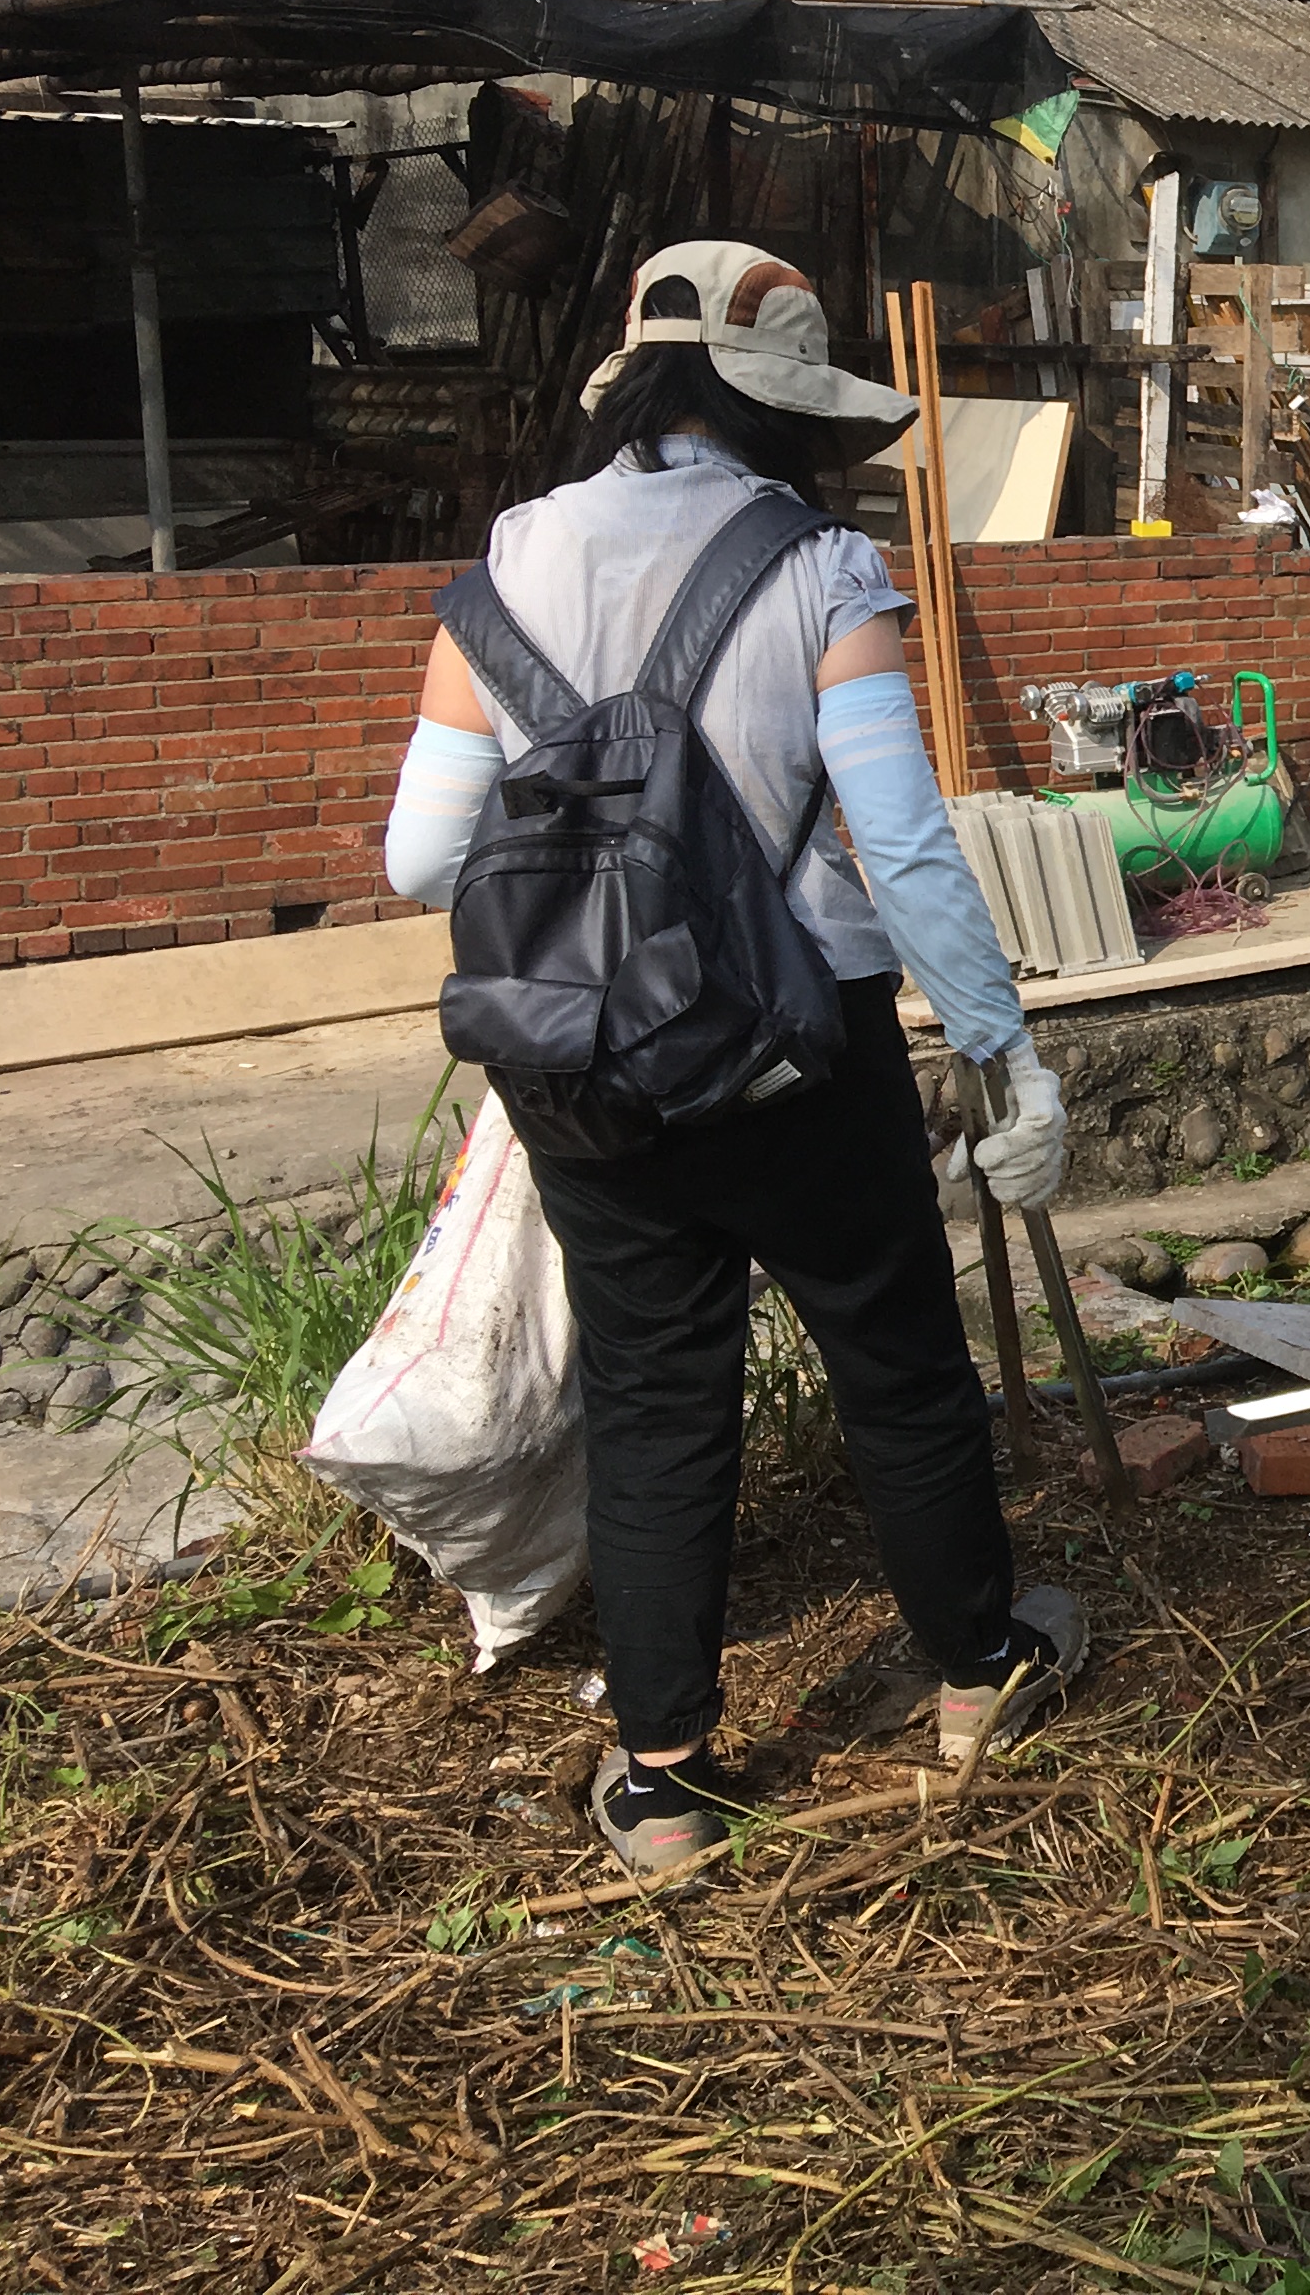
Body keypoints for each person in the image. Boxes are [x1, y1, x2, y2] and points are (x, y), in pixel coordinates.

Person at [380, 244, 1084, 1879]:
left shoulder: (507, 560)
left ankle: (666, 1776)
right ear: (782, 406)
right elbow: (901, 845)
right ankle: (979, 1675)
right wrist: (1001, 1048)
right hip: (796, 1039)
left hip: (576, 1050)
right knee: (897, 1358)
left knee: (651, 1390)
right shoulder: (822, 567)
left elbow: (426, 853)